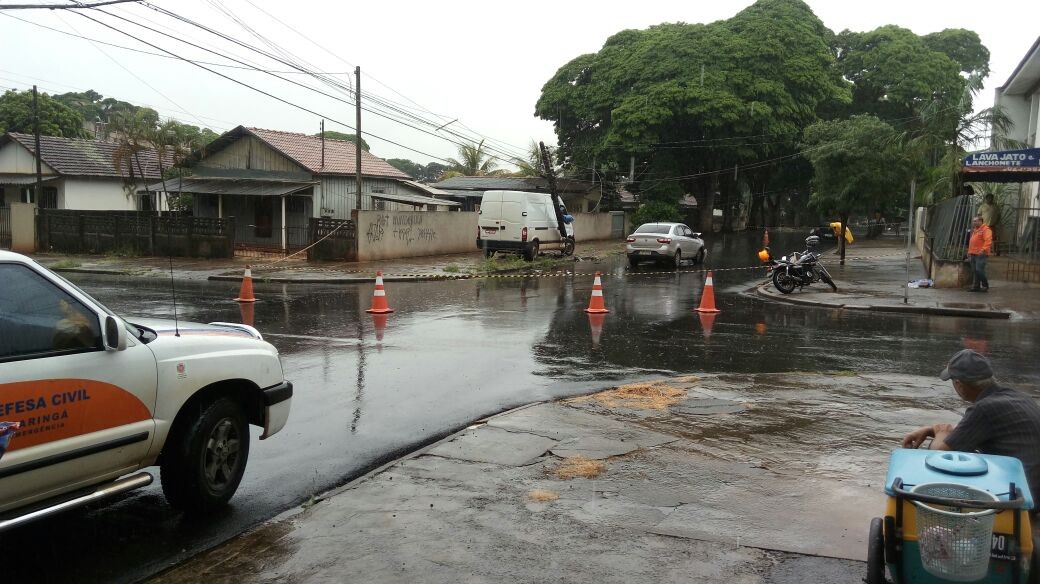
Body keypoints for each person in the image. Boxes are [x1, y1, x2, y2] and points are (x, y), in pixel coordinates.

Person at [902, 350, 1040, 500]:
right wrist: (933, 430)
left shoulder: (983, 409)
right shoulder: (1021, 397)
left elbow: (940, 456)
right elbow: (973, 432)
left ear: (959, 385)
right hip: (1032, 491)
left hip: (1020, 499)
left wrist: (941, 432)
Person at [967, 215, 993, 292]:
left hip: (981, 254)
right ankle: (976, 286)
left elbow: (988, 241)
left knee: (979, 270)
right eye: (973, 221)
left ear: (980, 221)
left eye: (975, 221)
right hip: (973, 253)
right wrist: (969, 251)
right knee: (974, 271)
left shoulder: (986, 230)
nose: (974, 223)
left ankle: (985, 285)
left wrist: (983, 249)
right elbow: (972, 242)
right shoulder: (976, 230)